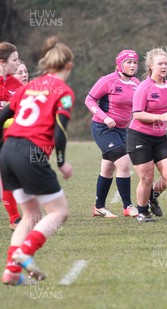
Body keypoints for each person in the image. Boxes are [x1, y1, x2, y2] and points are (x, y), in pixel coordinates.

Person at [0, 36, 74, 285]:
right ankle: (25, 252)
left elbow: (3, 116)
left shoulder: (27, 87)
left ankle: (11, 272)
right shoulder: (64, 92)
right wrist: (62, 161)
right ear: (68, 66)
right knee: (59, 211)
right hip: (30, 153)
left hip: (8, 150)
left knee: (30, 215)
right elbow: (60, 131)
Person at [85, 50, 140, 218]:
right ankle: (128, 207)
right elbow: (89, 100)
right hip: (103, 128)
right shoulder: (108, 80)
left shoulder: (137, 83)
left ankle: (99, 207)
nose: (132, 65)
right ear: (120, 64)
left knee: (107, 170)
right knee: (123, 164)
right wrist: (105, 117)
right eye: (129, 62)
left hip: (122, 130)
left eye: (135, 62)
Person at [127, 48, 167, 223]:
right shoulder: (144, 87)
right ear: (151, 66)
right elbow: (137, 114)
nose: (164, 67)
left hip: (160, 137)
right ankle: (142, 212)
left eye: (166, 63)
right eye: (160, 64)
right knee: (146, 177)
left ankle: (153, 195)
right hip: (139, 137)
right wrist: (160, 117)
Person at [0, 42, 23, 231]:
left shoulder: (16, 84)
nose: (18, 63)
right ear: (2, 62)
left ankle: (14, 218)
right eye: (14, 60)